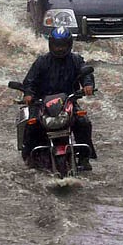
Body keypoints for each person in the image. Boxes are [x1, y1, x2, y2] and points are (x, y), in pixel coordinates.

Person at [20, 27, 97, 170]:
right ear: (51, 44)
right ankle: (29, 158)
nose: (60, 49)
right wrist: (28, 94)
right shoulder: (41, 62)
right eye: (57, 45)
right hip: (43, 103)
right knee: (31, 125)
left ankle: (84, 157)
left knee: (83, 122)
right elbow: (30, 81)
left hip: (67, 102)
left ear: (69, 45)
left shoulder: (76, 60)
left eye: (63, 45)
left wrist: (88, 85)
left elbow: (86, 73)